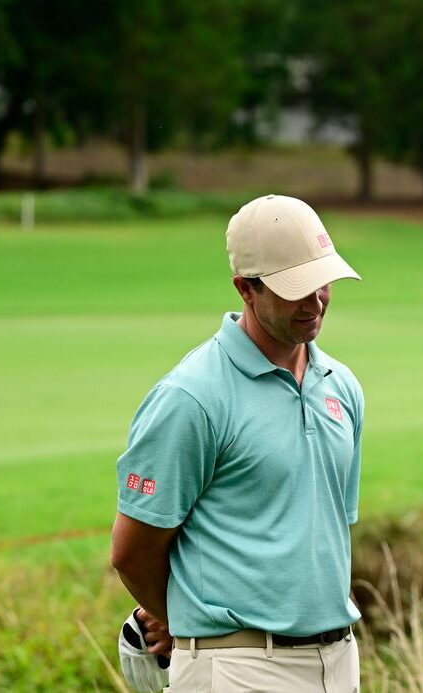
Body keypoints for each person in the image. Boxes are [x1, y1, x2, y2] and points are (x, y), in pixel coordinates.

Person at [110, 194, 365, 692]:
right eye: (296, 290)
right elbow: (132, 551)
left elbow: (325, 531)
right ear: (246, 289)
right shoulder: (191, 396)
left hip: (338, 659)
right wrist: (183, 616)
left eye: (323, 284)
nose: (315, 304)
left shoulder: (342, 385)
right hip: (236, 667)